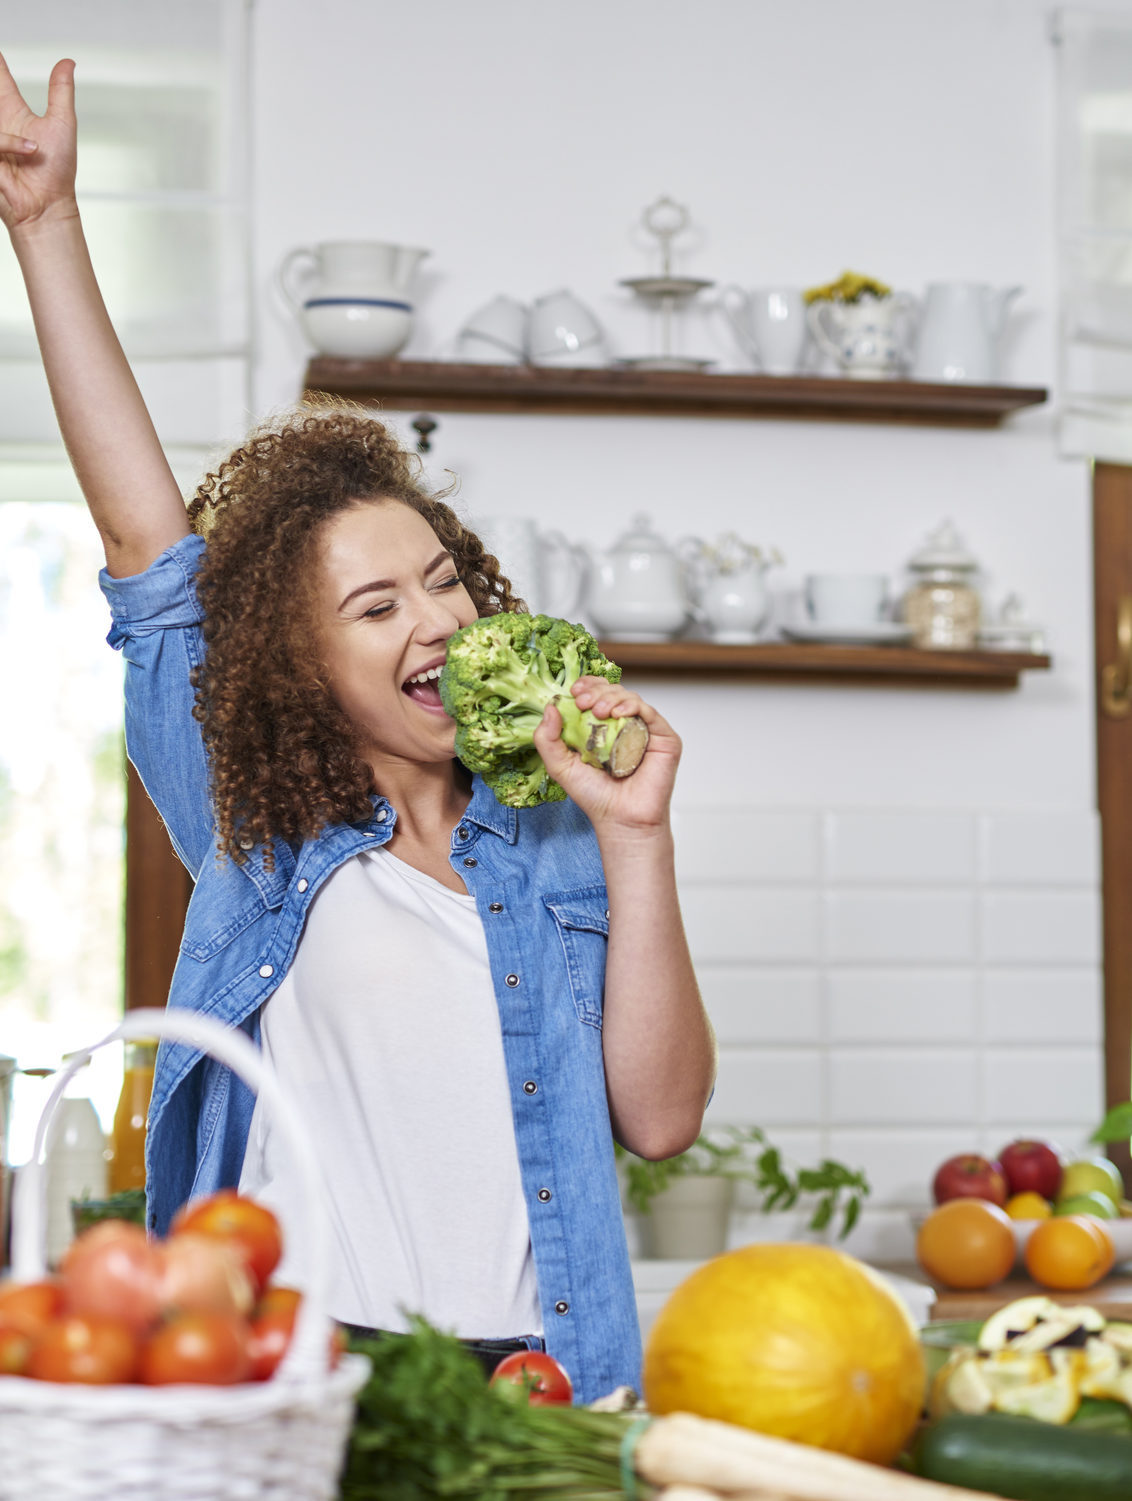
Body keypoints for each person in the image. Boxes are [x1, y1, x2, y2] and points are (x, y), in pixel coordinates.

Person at [0, 54, 716, 1402]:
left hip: (554, 1378)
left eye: (443, 577)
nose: (434, 621)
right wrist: (44, 225)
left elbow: (665, 1120)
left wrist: (639, 836)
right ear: (296, 661)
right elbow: (148, 548)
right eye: (376, 606)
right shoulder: (252, 821)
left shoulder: (560, 827)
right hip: (303, 1379)